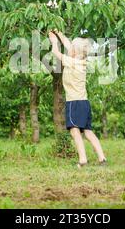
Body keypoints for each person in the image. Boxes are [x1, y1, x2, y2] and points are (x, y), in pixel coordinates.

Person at [48, 30, 107, 168]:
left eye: (72, 49)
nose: (70, 49)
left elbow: (56, 53)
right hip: (84, 103)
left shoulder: (73, 62)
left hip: (74, 103)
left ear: (76, 53)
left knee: (75, 131)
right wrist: (58, 33)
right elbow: (68, 44)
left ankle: (83, 160)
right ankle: (102, 158)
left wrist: (54, 42)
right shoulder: (80, 60)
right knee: (87, 131)